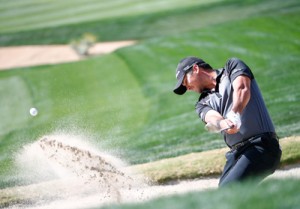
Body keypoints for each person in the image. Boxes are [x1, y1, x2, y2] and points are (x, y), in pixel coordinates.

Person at [173, 56, 282, 187]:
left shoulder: (232, 67)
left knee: (228, 190)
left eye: (185, 81)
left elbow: (242, 88)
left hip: (262, 146)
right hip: (236, 154)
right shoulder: (201, 103)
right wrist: (225, 124)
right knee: (224, 196)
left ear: (195, 68)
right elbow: (213, 118)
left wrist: (235, 113)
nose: (187, 88)